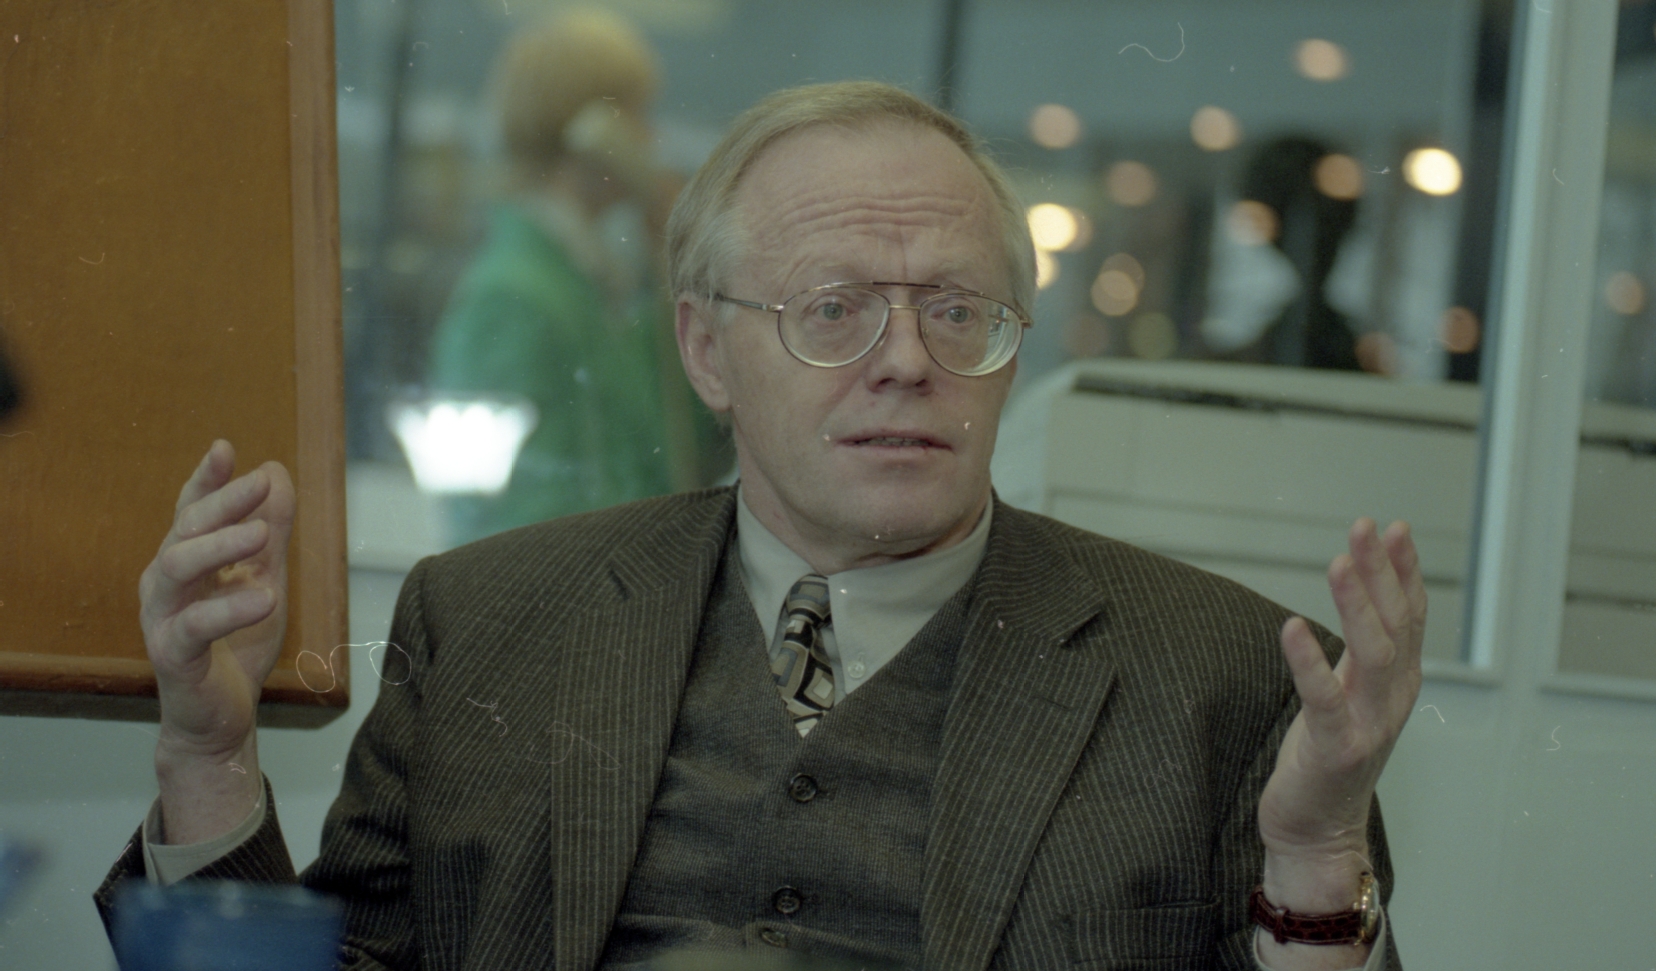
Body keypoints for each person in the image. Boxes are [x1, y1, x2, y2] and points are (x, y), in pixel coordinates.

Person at [100, 82, 1423, 971]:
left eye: (958, 311)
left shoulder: (1226, 676)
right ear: (705, 349)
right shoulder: (489, 622)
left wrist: (1313, 858)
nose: (905, 361)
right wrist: (206, 753)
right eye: (832, 308)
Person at [426, 9, 722, 546]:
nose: (650, 138)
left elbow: (685, 456)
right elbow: (509, 518)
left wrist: (679, 271)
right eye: (636, 115)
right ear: (593, 131)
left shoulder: (598, 289)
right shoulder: (512, 297)